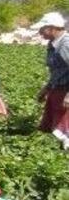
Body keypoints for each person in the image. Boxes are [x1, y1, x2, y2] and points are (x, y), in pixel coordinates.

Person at [33, 12, 69, 149]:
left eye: (42, 29)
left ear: (52, 28)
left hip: (65, 91)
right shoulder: (52, 44)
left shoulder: (65, 44)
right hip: (56, 89)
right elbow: (58, 71)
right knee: (55, 128)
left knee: (65, 130)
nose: (39, 32)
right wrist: (46, 88)